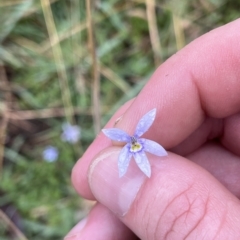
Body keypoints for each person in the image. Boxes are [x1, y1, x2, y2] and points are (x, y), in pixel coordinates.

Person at [64, 19, 240, 239]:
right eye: (135, 144)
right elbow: (126, 150)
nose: (136, 145)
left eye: (136, 144)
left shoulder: (139, 139)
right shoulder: (130, 141)